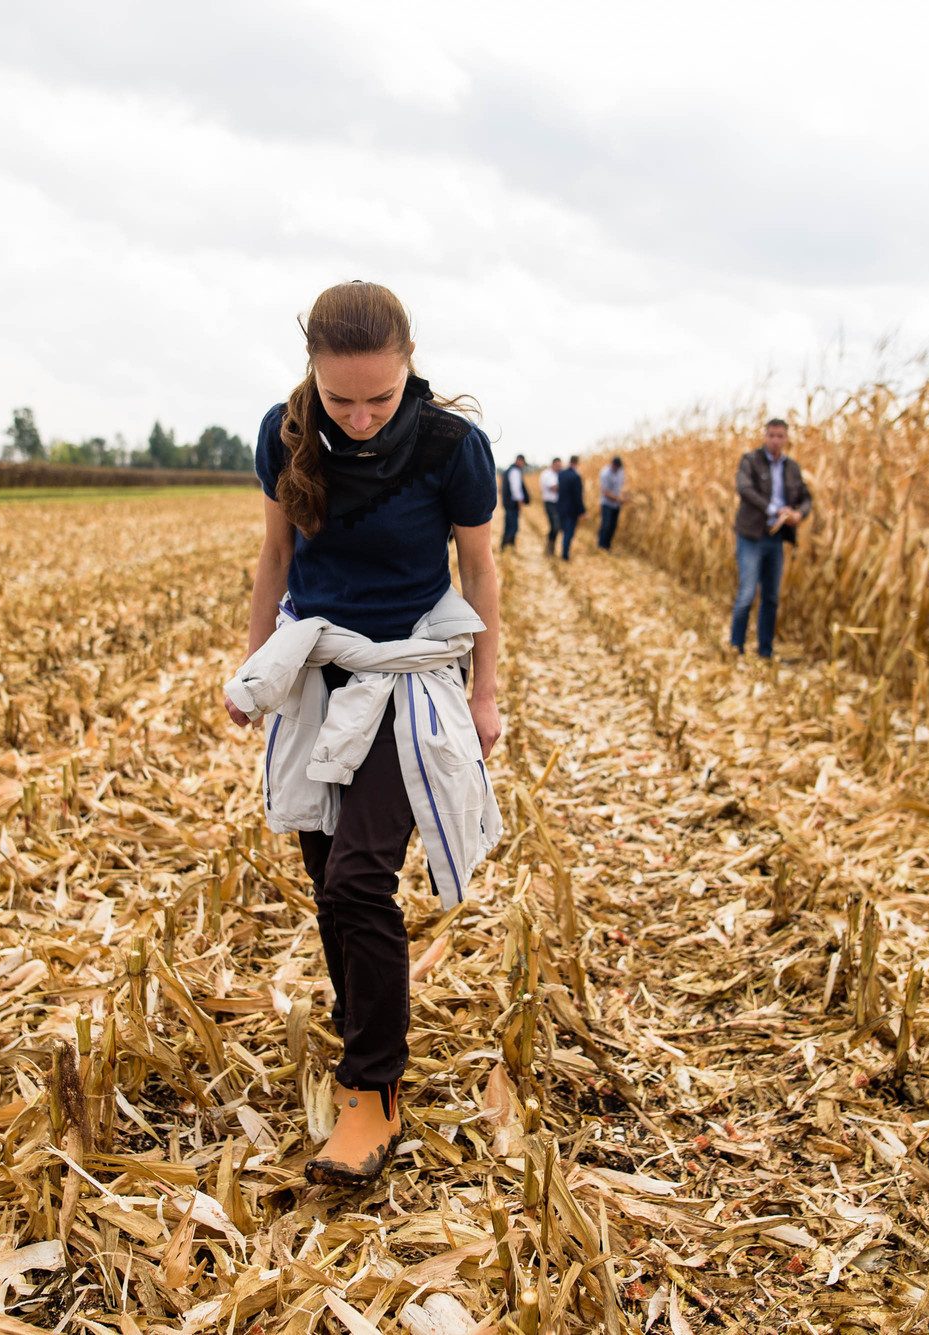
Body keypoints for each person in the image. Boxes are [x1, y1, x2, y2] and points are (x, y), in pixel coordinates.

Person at [223, 281, 502, 1189]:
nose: (363, 414)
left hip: (409, 676)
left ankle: (372, 1085)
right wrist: (255, 666)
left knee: (358, 874)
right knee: (322, 876)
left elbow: (480, 567)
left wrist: (488, 690)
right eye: (342, 398)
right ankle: (363, 1028)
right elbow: (275, 557)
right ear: (312, 373)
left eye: (380, 396)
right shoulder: (285, 433)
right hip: (316, 673)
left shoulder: (452, 447)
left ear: (408, 363)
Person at [730, 418, 814, 657]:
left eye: (780, 436)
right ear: (765, 436)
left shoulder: (792, 468)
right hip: (751, 536)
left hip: (775, 539)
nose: (776, 440)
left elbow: (806, 496)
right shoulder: (751, 461)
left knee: (771, 597)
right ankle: (736, 647)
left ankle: (765, 651)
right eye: (772, 435)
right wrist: (773, 509)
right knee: (747, 594)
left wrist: (799, 514)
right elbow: (744, 489)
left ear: (787, 439)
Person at [554, 455, 585, 560]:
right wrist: (582, 510)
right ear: (577, 462)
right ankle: (565, 555)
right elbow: (578, 496)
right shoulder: (576, 476)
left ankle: (562, 552)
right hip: (571, 510)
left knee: (564, 530)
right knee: (568, 532)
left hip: (561, 507)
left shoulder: (561, 474)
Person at [596, 454, 627, 550]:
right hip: (607, 503)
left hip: (616, 504)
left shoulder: (621, 472)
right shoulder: (605, 473)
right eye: (616, 466)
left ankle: (607, 545)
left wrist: (625, 497)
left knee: (613, 525)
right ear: (612, 464)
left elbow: (623, 486)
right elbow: (605, 491)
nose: (617, 468)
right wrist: (617, 498)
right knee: (606, 524)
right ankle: (601, 545)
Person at [500, 453, 528, 548]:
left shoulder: (508, 470)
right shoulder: (515, 471)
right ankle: (508, 547)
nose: (523, 465)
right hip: (512, 503)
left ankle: (505, 547)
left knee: (508, 525)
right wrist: (520, 503)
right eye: (523, 462)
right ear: (519, 460)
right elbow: (516, 489)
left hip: (507, 503)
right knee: (513, 526)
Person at [538, 457, 562, 555]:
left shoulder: (559, 474)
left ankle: (551, 547)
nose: (559, 467)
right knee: (555, 525)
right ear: (553, 464)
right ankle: (549, 547)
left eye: (560, 465)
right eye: (557, 465)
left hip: (558, 503)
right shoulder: (546, 474)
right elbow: (554, 487)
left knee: (557, 526)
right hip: (550, 503)